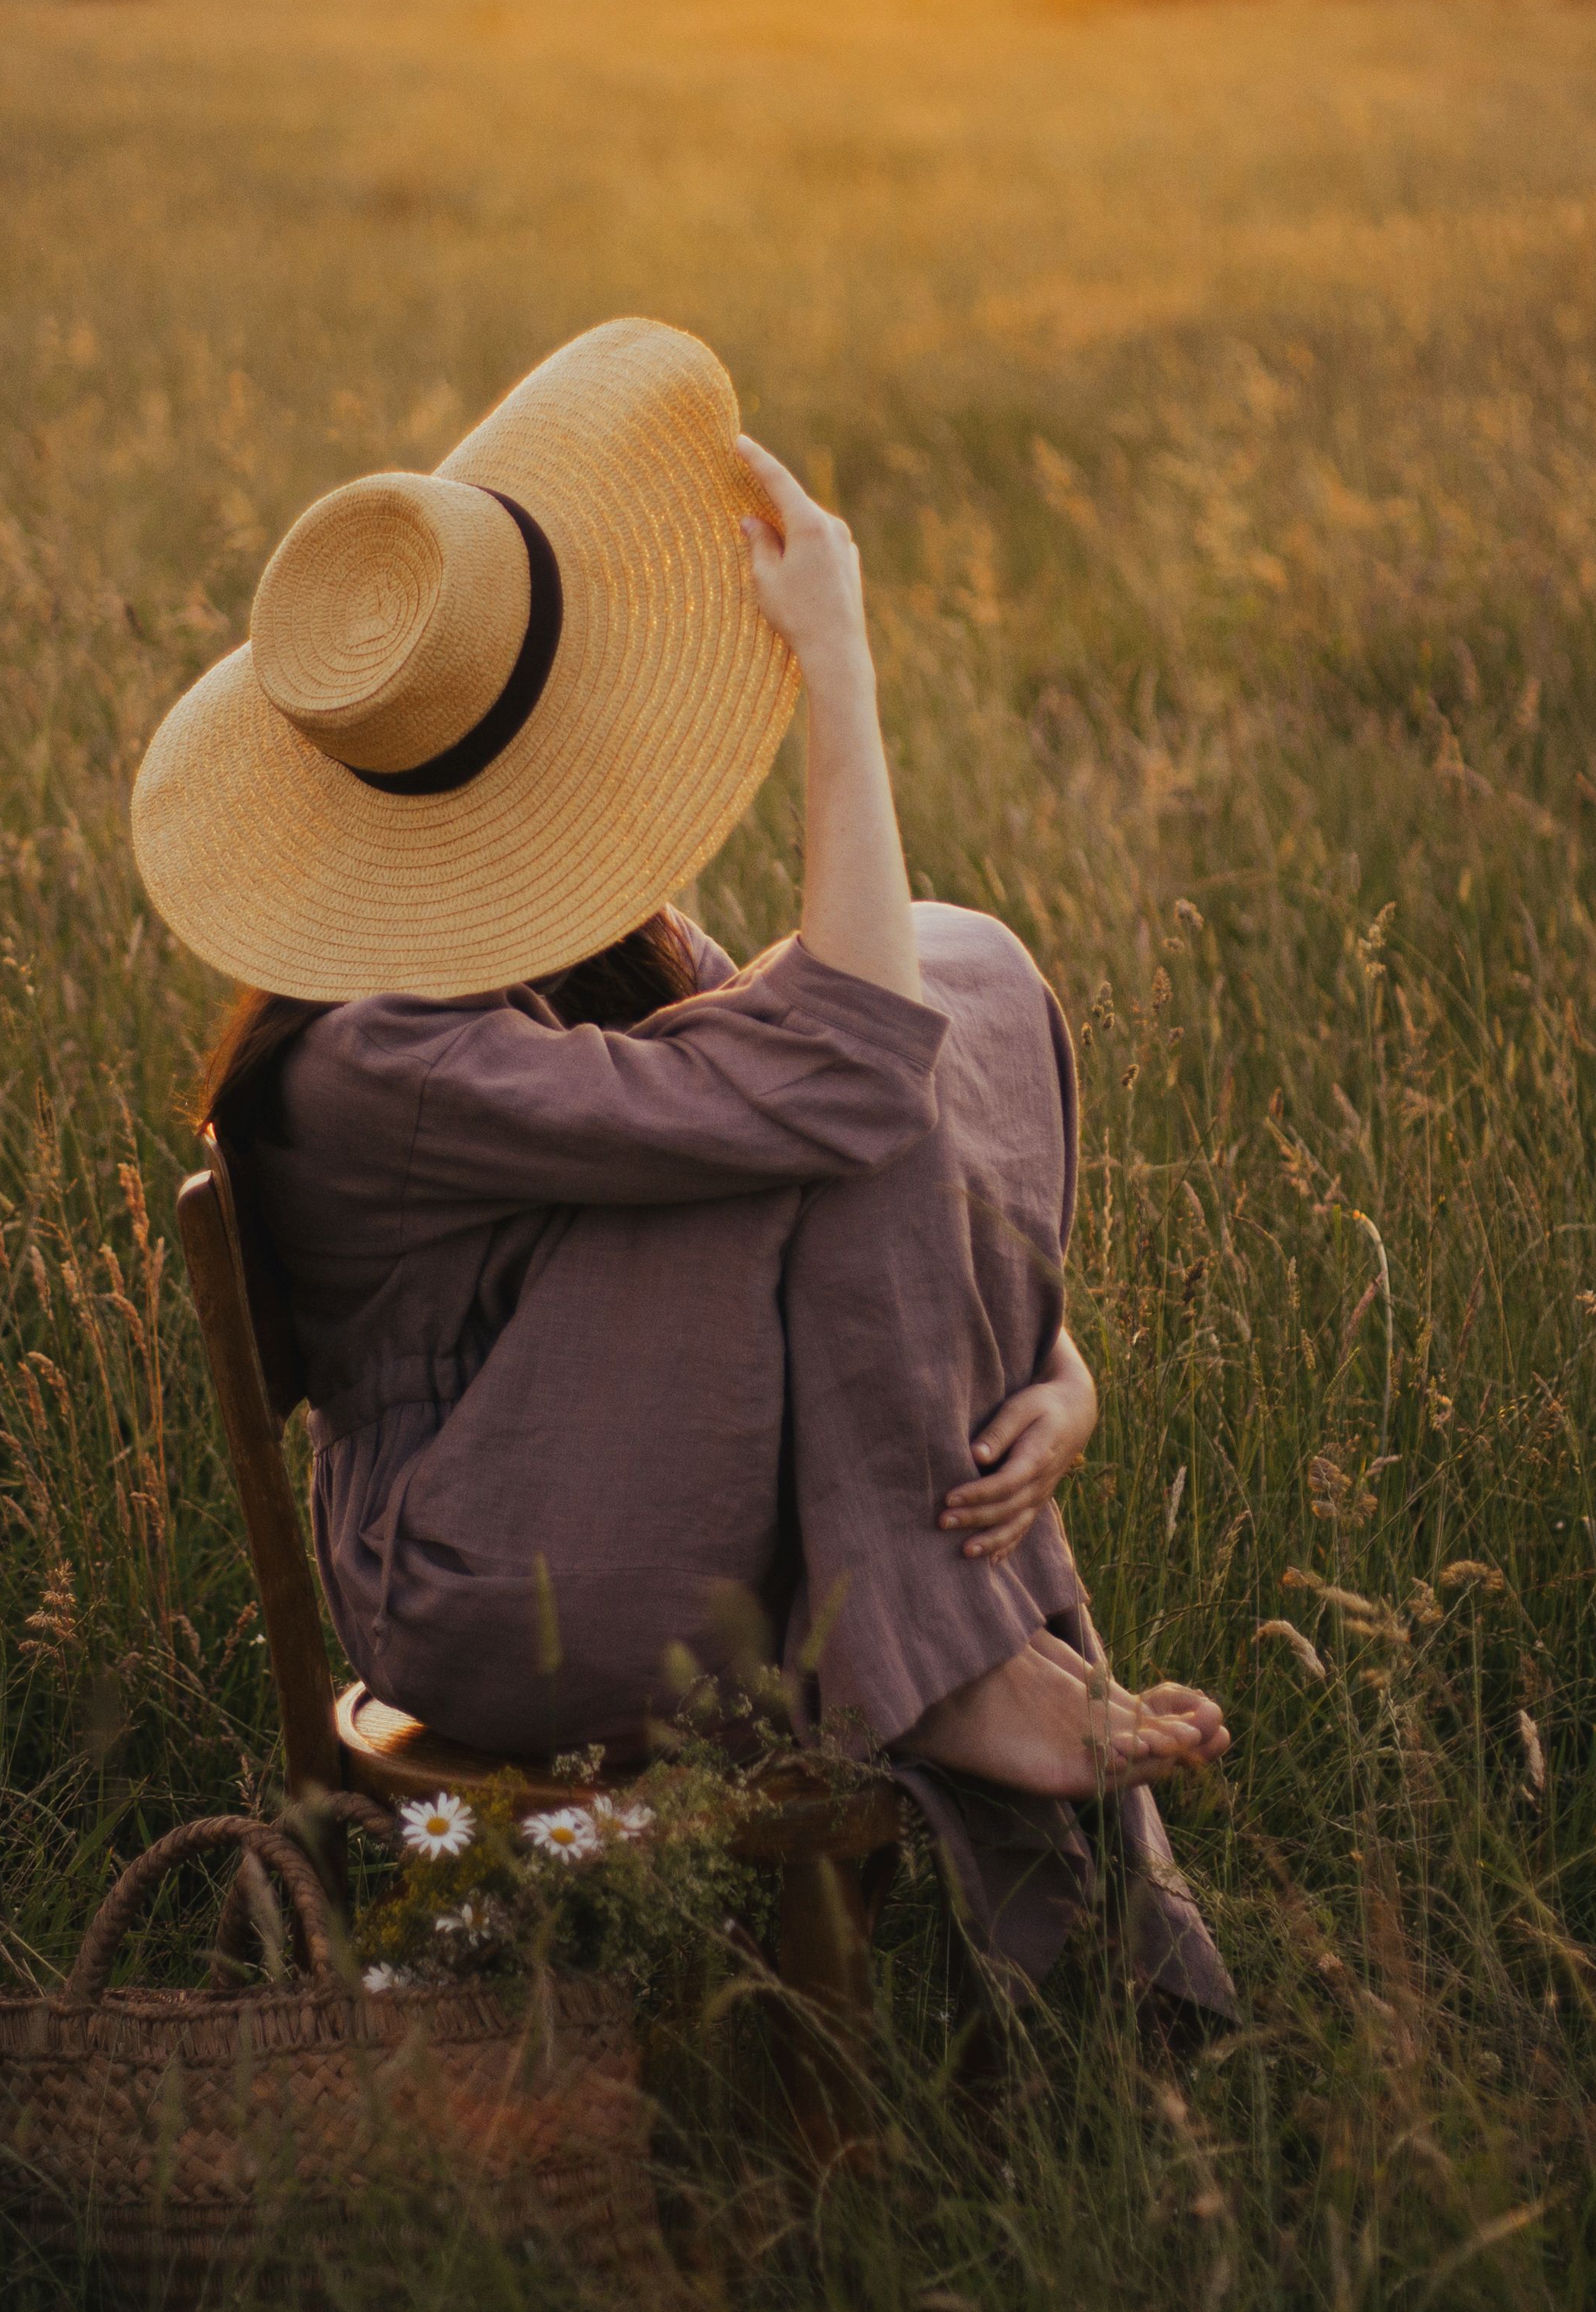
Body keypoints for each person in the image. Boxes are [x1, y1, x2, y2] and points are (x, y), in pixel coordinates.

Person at [129, 318, 1231, 2004]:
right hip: (496, 1577)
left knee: (944, 982)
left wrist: (1051, 1371)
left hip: (653, 1477)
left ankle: (948, 1670)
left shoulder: (590, 933)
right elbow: (850, 1081)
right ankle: (956, 1671)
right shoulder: (375, 1057)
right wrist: (837, 671)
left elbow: (870, 1124)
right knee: (891, 1014)